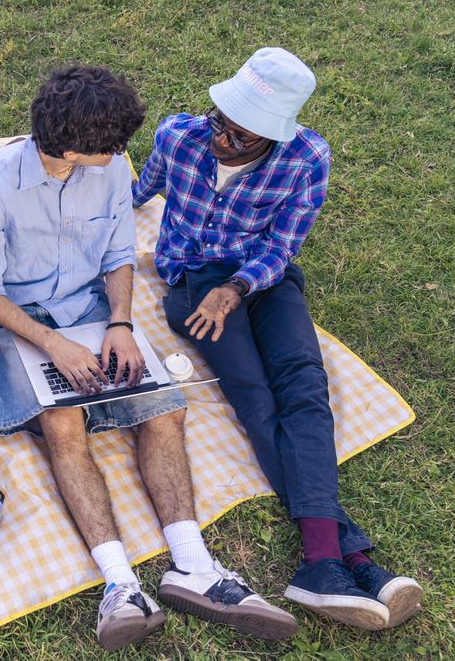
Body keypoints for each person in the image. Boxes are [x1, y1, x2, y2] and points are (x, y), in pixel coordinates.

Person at [0, 66, 295, 651]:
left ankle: (193, 564)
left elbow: (119, 252)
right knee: (64, 422)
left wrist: (120, 322)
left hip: (94, 304)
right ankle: (120, 586)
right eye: (111, 145)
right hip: (19, 316)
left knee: (165, 411)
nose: (123, 154)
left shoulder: (110, 167)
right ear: (70, 146)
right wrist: (54, 343)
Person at [131, 47, 424, 630]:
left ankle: (323, 563)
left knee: (305, 387)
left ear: (277, 136)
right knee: (254, 394)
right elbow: (139, 192)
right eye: (221, 123)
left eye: (244, 138)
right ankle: (345, 555)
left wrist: (238, 286)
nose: (223, 140)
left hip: (263, 277)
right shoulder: (178, 135)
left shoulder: (306, 158)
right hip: (192, 281)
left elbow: (284, 244)